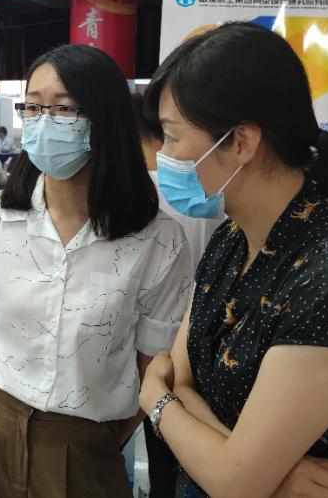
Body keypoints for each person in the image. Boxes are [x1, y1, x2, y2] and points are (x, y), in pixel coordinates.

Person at [139, 22, 328, 497]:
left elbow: (231, 476)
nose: (161, 157)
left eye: (171, 137)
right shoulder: (231, 237)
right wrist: (260, 471)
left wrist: (154, 398)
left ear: (241, 142)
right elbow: (186, 381)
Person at [0, 45, 193, 498]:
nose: (44, 121)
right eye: (33, 106)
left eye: (64, 108)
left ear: (105, 118)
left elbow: (151, 362)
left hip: (84, 443)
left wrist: (97, 440)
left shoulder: (157, 239)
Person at [131, 92, 220, 497]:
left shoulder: (139, 192)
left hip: (155, 352)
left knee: (161, 442)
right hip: (210, 342)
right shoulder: (209, 191)